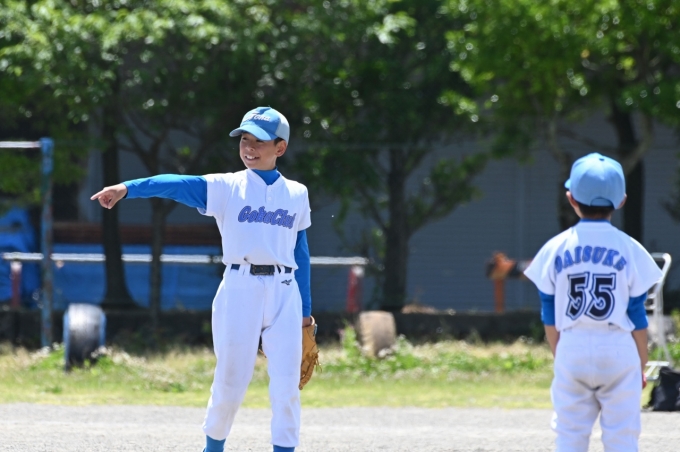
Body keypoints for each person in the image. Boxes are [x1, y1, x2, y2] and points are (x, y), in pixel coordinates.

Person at [91, 107, 312, 452]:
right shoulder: (228, 187)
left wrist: (306, 314)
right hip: (240, 287)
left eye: (259, 141)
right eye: (244, 139)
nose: (249, 147)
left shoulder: (297, 193)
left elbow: (301, 253)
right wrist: (126, 188)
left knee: (286, 387)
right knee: (230, 380)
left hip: (285, 290)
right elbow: (177, 185)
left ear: (280, 147)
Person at [523, 153, 662, 452]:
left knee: (570, 436)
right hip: (618, 346)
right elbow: (637, 314)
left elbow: (549, 312)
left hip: (571, 344)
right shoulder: (630, 248)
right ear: (622, 201)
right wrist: (640, 364)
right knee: (622, 437)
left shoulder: (555, 248)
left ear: (571, 199)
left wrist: (562, 355)